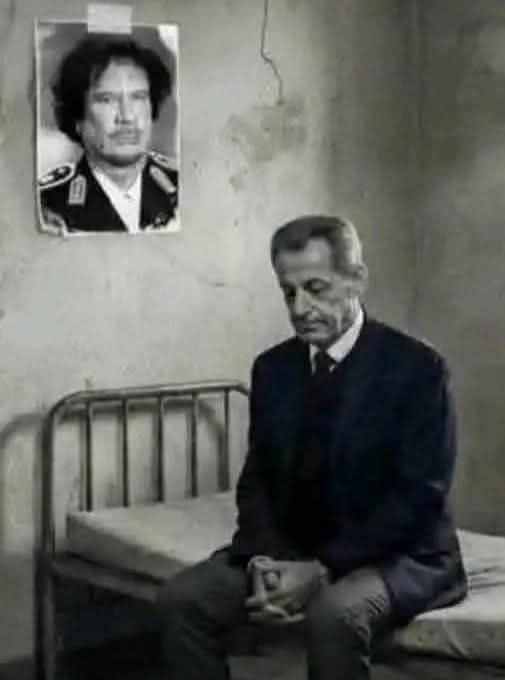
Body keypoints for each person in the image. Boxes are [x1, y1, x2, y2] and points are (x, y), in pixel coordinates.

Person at [157, 215, 467, 680]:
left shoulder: (417, 369)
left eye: (316, 289)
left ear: (356, 280)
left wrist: (323, 568)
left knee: (334, 616)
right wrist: (264, 560)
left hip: (401, 555)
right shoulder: (273, 369)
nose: (300, 308)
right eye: (289, 293)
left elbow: (418, 498)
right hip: (293, 550)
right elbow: (258, 480)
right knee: (182, 602)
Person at [38, 35, 178, 234]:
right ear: (78, 118)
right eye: (106, 100)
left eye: (138, 97)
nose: (127, 117)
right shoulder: (48, 203)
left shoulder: (182, 186)